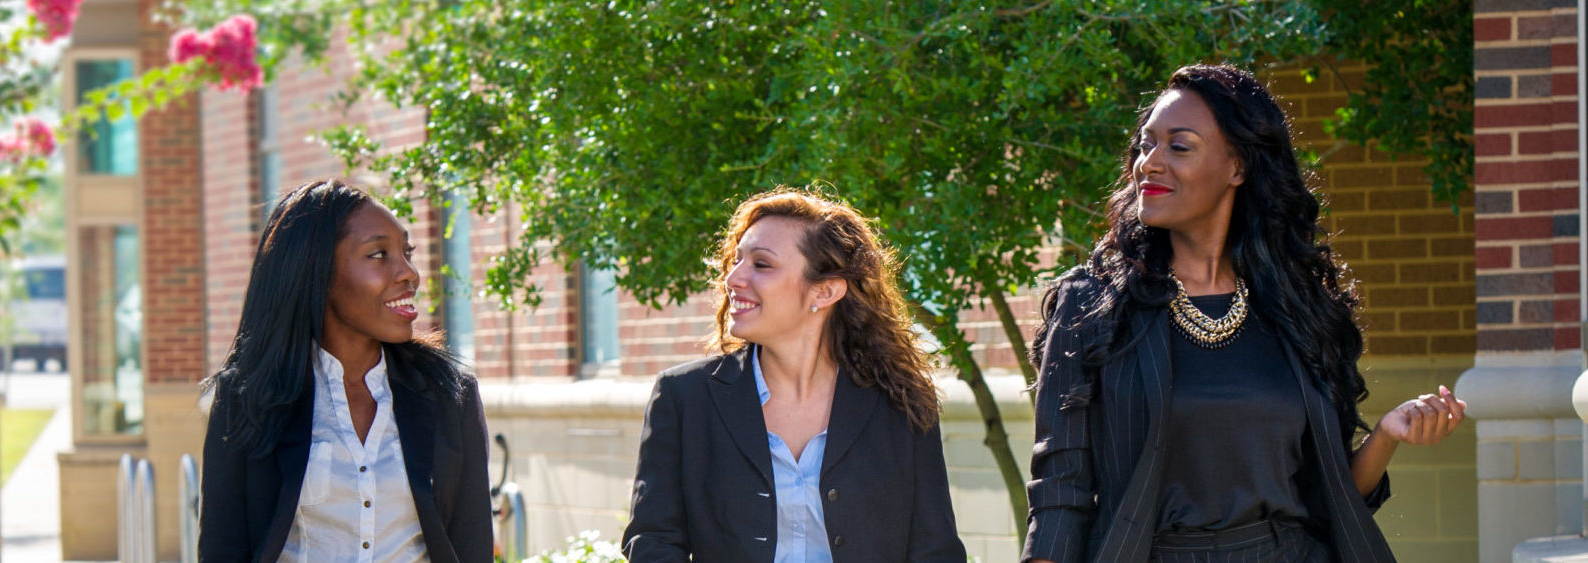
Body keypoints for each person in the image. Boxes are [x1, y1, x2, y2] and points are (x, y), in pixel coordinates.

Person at [1022, 64, 1468, 563]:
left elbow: (1327, 501)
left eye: (1179, 146)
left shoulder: (1296, 305)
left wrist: (1387, 434)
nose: (1149, 162)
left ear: (1238, 167)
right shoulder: (1093, 305)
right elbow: (1060, 495)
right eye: (1146, 144)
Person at [622, 188, 966, 562]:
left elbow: (936, 550)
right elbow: (653, 542)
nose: (733, 278)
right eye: (736, 261)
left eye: (762, 264)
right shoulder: (684, 398)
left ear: (825, 291)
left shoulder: (899, 403)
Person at [198, 179, 492, 563]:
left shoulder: (450, 394)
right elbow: (223, 550)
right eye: (378, 255)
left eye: (407, 252)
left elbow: (472, 547)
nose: (409, 273)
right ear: (317, 270)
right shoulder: (246, 398)